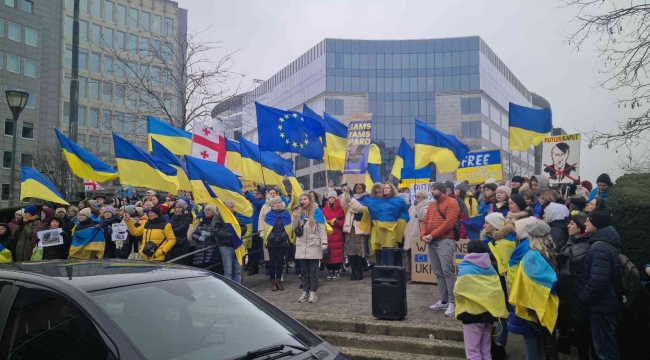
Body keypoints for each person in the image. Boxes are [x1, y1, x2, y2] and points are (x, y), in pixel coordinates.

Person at [508, 222, 559, 360]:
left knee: (536, 343)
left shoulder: (532, 256)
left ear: (532, 236)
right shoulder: (552, 251)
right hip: (551, 300)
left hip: (534, 305)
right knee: (548, 342)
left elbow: (527, 284)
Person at [454, 240, 508, 360]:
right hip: (489, 315)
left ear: (469, 251)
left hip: (471, 315)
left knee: (473, 352)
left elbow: (458, 292)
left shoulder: (465, 269)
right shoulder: (492, 269)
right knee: (486, 351)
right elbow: (497, 291)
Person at [578, 211, 621, 359]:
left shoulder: (599, 247)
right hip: (605, 303)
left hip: (602, 305)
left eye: (588, 221)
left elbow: (598, 281)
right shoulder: (606, 241)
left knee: (605, 350)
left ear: (596, 224)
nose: (585, 223)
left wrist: (582, 297)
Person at [421, 182, 460, 317]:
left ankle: (453, 302)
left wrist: (432, 235)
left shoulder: (452, 203)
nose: (432, 191)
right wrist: (423, 235)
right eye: (431, 189)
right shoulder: (432, 205)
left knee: (447, 271)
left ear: (443, 190)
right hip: (431, 241)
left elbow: (449, 223)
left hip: (445, 241)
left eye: (435, 189)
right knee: (438, 272)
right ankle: (444, 300)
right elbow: (425, 221)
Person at [557, 214, 592, 359]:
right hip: (575, 297)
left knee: (582, 334)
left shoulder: (579, 247)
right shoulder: (573, 241)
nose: (568, 226)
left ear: (580, 227)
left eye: (572, 224)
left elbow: (567, 276)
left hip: (576, 297)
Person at [293, 192, 328, 304]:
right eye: (301, 199)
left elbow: (322, 229)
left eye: (305, 199)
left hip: (314, 244)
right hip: (302, 245)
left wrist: (324, 243)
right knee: (304, 271)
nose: (303, 201)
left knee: (313, 271)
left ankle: (313, 292)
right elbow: (293, 227)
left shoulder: (317, 211)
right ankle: (305, 291)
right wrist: (294, 215)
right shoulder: (299, 212)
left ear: (309, 200)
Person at [340, 183, 371, 281]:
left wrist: (351, 201)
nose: (358, 190)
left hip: (359, 227)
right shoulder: (351, 197)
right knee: (351, 251)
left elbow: (360, 209)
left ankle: (360, 271)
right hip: (350, 227)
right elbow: (343, 204)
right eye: (356, 188)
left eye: (360, 188)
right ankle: (353, 271)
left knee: (359, 251)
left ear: (363, 189)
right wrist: (346, 194)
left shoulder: (367, 198)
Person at [263, 197, 293, 291]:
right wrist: (273, 237)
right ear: (273, 205)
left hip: (282, 241)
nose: (278, 204)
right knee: (272, 262)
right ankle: (272, 281)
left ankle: (278, 280)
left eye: (279, 203)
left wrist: (282, 237)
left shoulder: (286, 214)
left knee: (280, 261)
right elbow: (267, 228)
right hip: (272, 242)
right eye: (275, 203)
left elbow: (288, 227)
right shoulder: (269, 215)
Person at [218, 200, 247, 284]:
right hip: (226, 246)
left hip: (236, 246)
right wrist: (231, 235)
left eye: (233, 207)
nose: (233, 209)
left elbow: (243, 227)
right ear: (226, 208)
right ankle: (230, 290)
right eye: (231, 207)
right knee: (228, 271)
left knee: (237, 270)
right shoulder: (219, 217)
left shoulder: (234, 216)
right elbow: (217, 230)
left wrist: (238, 232)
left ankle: (238, 289)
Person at [190, 205, 225, 269]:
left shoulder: (217, 222)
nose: (207, 212)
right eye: (206, 210)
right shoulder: (201, 223)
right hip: (200, 252)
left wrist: (210, 235)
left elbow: (220, 235)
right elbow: (193, 234)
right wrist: (198, 238)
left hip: (212, 253)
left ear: (213, 212)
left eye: (209, 210)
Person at [405, 190, 431, 275]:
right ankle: (412, 271)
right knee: (410, 252)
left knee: (419, 254)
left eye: (418, 196)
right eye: (416, 196)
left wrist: (419, 206)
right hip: (411, 231)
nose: (416, 198)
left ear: (423, 196)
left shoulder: (428, 205)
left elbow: (423, 216)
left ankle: (420, 273)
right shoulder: (413, 206)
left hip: (419, 232)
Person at [322, 191, 345, 280]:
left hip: (337, 234)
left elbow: (343, 222)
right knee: (328, 254)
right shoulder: (324, 209)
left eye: (333, 198)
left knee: (337, 254)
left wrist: (336, 222)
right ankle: (330, 271)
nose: (331, 199)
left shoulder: (340, 209)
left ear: (336, 199)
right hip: (327, 234)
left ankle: (337, 270)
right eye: (330, 198)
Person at [245, 187, 266, 276]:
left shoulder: (263, 203)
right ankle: (252, 266)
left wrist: (247, 194)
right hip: (253, 230)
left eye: (257, 193)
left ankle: (255, 267)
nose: (255, 195)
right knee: (251, 250)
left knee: (256, 251)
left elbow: (257, 203)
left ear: (262, 194)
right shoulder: (257, 202)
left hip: (258, 231)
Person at [169, 199, 192, 264]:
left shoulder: (186, 217)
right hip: (173, 241)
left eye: (180, 207)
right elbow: (169, 225)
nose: (178, 209)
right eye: (177, 207)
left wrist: (171, 232)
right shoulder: (174, 216)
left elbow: (182, 228)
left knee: (181, 260)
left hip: (182, 242)